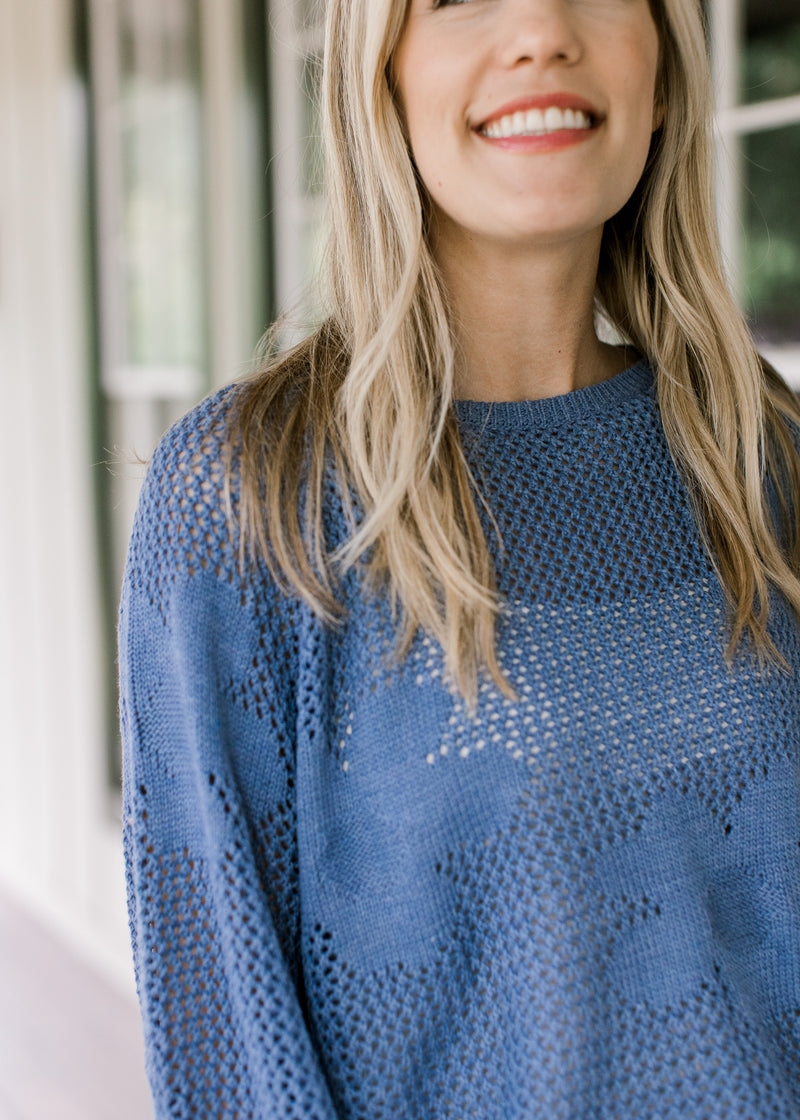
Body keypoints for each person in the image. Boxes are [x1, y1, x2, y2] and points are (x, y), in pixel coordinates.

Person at [119, 0, 800, 1116]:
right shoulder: (250, 500)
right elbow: (230, 1055)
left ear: (663, 70)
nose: (538, 28)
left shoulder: (761, 455)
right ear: (376, 76)